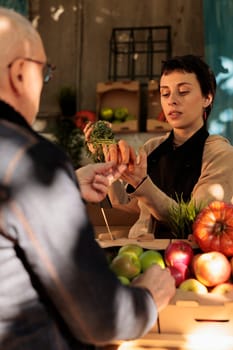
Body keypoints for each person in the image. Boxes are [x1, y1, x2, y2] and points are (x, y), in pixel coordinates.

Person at [0, 7, 176, 350]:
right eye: (44, 73)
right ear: (20, 73)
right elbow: (100, 318)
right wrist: (148, 298)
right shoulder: (29, 159)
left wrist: (68, 186)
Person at [84, 54, 233, 240]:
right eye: (165, 93)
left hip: (186, 258)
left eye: (184, 91)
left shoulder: (220, 154)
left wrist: (142, 184)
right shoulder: (153, 147)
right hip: (140, 252)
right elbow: (132, 207)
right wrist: (107, 160)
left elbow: (197, 221)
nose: (172, 100)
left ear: (207, 98)